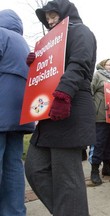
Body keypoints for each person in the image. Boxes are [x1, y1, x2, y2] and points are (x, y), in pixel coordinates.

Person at [24, 0, 97, 215]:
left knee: (67, 179)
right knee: (34, 168)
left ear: (65, 13)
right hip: (49, 112)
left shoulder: (80, 31)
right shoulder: (51, 41)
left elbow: (80, 62)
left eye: (53, 15)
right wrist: (38, 63)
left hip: (70, 107)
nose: (49, 20)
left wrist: (64, 94)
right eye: (46, 17)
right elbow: (50, 72)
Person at [0, 9, 35, 216]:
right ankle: (14, 211)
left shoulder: (1, 35)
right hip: (19, 115)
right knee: (13, 165)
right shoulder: (23, 44)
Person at [89, 58, 110, 186]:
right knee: (99, 142)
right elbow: (90, 91)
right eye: (109, 64)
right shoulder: (98, 75)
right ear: (103, 65)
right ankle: (94, 170)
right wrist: (92, 108)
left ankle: (107, 167)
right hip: (101, 117)